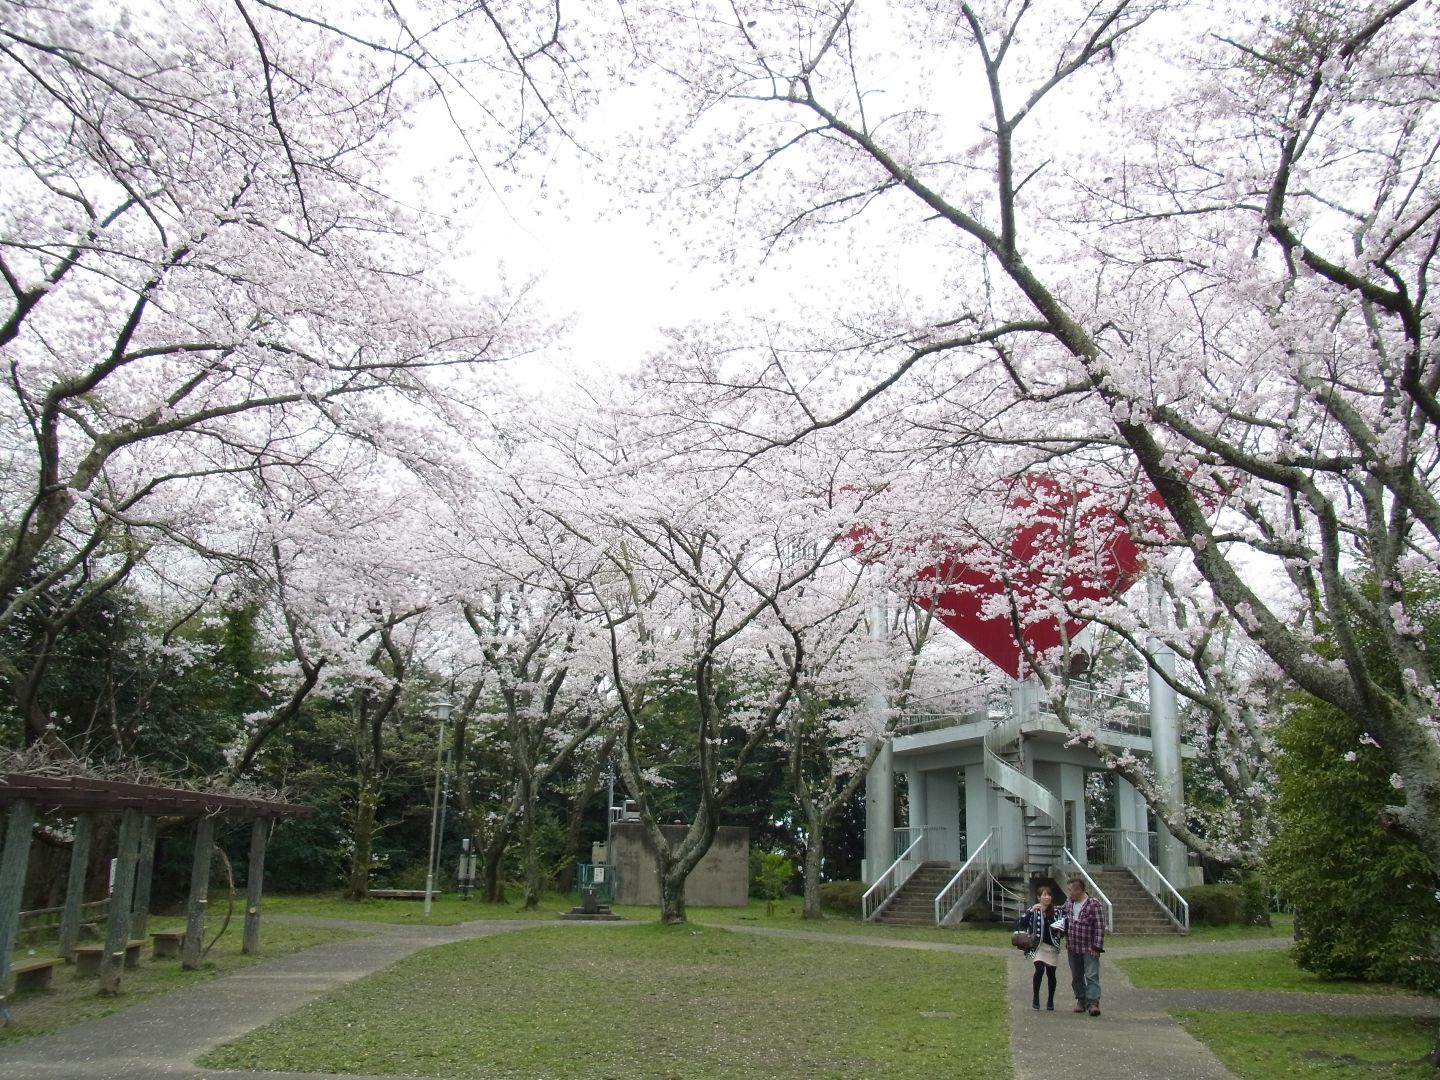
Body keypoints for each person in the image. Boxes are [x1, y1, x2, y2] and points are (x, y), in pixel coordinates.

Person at [1060, 876, 1105, 1016]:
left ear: (1079, 890)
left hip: (1089, 947)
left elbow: (1099, 926)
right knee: (1076, 975)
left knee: (1091, 975)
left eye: (1071, 890)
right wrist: (1043, 906)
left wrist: (1097, 947)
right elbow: (1060, 911)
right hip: (1073, 946)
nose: (1069, 893)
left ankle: (1093, 1002)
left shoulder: (1094, 904)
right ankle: (1081, 999)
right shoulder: (1069, 902)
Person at [1015, 885, 1063, 1010]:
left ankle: (1050, 1000)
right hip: (1038, 946)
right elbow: (1022, 923)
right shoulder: (1034, 910)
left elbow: (1063, 926)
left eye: (1049, 895)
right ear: (1038, 897)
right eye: (1044, 895)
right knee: (1040, 969)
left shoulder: (1057, 911)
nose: (1047, 897)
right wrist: (1030, 910)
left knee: (1051, 974)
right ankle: (1036, 997)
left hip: (1052, 946)